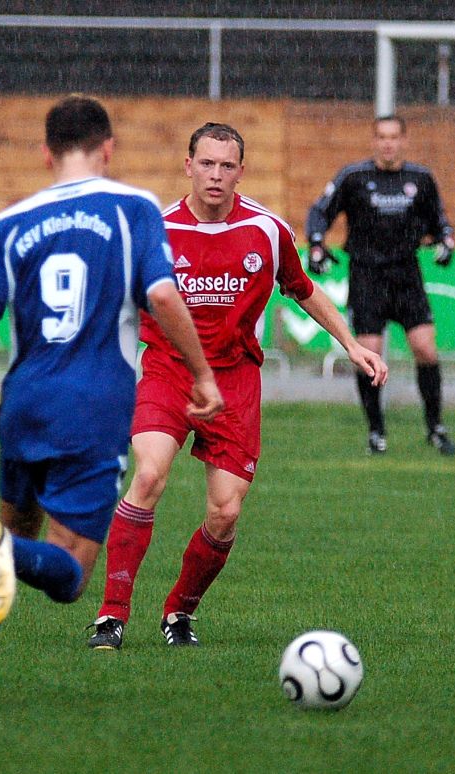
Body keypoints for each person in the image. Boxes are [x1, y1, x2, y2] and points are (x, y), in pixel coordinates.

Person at [0, 96, 223, 708]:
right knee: (68, 576)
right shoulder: (133, 208)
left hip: (24, 402)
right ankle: (2, 557)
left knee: (15, 537)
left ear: (46, 153)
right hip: (92, 408)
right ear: (108, 148)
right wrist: (202, 373)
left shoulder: (8, 224)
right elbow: (162, 295)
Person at [86, 122, 388, 650]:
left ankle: (179, 612)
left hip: (234, 378)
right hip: (170, 370)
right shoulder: (156, 230)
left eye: (227, 166)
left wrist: (350, 344)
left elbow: (303, 289)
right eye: (206, 163)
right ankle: (112, 614)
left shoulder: (267, 231)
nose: (216, 175)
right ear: (188, 166)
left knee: (225, 512)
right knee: (149, 474)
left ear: (240, 172)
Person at [306, 114, 455, 456]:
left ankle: (435, 427)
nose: (388, 143)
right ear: (374, 141)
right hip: (367, 276)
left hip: (406, 275)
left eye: (394, 137)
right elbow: (319, 212)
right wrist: (316, 244)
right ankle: (376, 432)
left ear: (404, 140)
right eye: (382, 137)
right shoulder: (354, 177)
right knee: (368, 353)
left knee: (425, 349)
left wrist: (447, 241)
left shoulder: (421, 179)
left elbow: (440, 222)